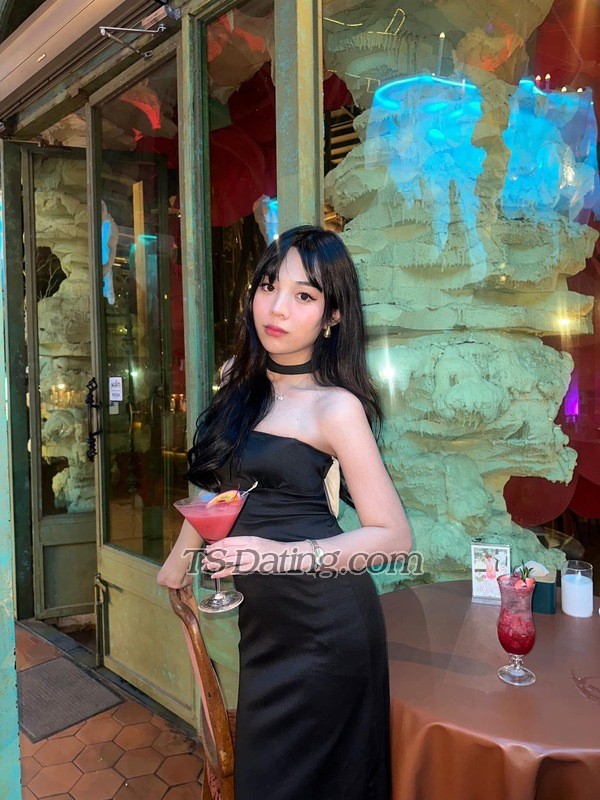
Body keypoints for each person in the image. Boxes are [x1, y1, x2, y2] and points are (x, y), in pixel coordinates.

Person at [158, 225, 412, 800]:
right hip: (266, 631)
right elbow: (221, 490)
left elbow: (394, 536)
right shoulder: (236, 382)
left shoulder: (335, 407)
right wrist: (180, 558)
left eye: (304, 295)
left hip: (326, 632)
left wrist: (272, 556)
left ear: (332, 317)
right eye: (269, 286)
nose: (276, 308)